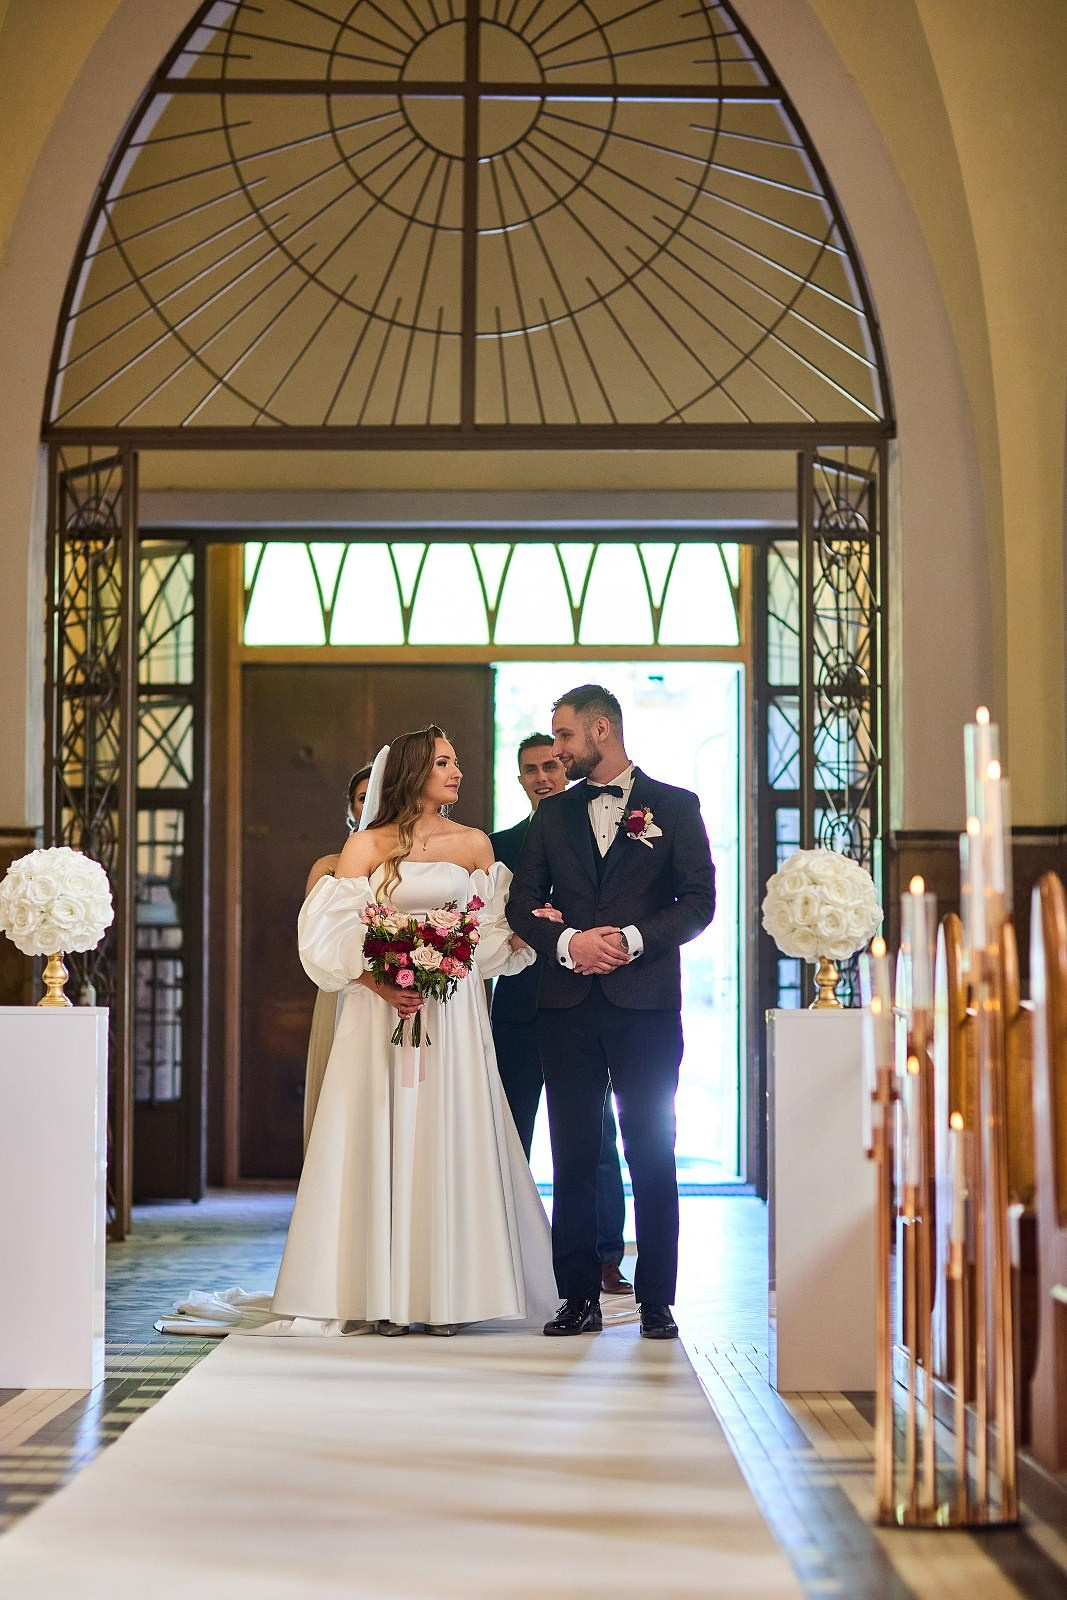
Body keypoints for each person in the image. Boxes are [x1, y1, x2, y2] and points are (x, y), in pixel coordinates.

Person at [269, 725, 556, 1336]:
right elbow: (329, 933)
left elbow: (489, 930)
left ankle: (447, 1296)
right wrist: (379, 982)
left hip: (452, 1014)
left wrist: (519, 933)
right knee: (379, 1127)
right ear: (414, 771)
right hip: (378, 1013)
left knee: (447, 1130)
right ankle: (380, 1295)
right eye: (444, 763)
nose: (457, 773)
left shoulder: (474, 844)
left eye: (456, 762)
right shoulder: (365, 846)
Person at [507, 685, 716, 1341]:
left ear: (601, 730)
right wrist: (569, 943)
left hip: (645, 1005)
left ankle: (656, 1300)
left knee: (651, 1150)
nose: (558, 749)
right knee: (571, 1155)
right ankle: (577, 1298)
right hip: (566, 1006)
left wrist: (629, 939)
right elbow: (520, 904)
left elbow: (699, 902)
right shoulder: (553, 815)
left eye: (564, 736)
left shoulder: (675, 807)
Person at [490, 733, 633, 1297]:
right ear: (520, 780)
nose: (542, 777)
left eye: (551, 765)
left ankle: (604, 1256)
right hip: (519, 1006)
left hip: (584, 999)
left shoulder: (595, 833)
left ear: (565, 770)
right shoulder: (496, 846)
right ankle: (508, 1255)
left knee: (596, 1136)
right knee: (510, 1133)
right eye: (531, 770)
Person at [302, 764, 373, 1151]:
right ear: (350, 808)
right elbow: (317, 937)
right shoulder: (327, 866)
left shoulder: (411, 868)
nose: (372, 802)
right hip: (344, 986)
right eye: (363, 797)